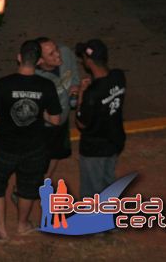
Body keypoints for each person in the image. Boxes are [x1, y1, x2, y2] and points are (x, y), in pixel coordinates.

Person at [0, 40, 61, 241]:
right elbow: (55, 119)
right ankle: (22, 225)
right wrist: (38, 115)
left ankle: (1, 229)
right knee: (27, 188)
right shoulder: (46, 85)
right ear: (39, 61)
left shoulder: (4, 84)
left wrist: (6, 119)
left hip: (4, 146)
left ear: (19, 57)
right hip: (34, 148)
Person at [75, 39, 127, 198]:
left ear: (89, 62)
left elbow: (81, 123)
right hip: (114, 141)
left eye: (84, 57)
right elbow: (106, 86)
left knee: (91, 191)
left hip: (94, 149)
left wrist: (81, 93)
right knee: (108, 182)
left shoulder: (92, 94)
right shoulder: (119, 76)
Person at [35, 37, 80, 178]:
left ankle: (46, 180)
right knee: (36, 160)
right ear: (40, 61)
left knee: (56, 152)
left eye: (56, 49)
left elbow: (74, 75)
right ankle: (23, 189)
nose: (58, 54)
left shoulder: (65, 53)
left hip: (62, 119)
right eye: (51, 54)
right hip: (42, 126)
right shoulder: (35, 79)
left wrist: (75, 88)